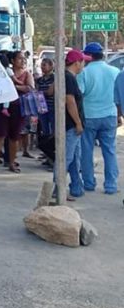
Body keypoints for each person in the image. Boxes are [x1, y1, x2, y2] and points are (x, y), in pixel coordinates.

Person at [77, 42, 120, 194]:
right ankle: (111, 185)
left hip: (89, 116)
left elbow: (79, 94)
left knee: (87, 151)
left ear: (88, 56)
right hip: (110, 115)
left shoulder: (84, 73)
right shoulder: (114, 71)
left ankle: (89, 183)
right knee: (109, 151)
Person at [0, 51, 33, 174]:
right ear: (13, 60)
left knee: (15, 137)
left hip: (18, 109)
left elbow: (29, 88)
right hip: (2, 108)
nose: (23, 61)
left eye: (24, 59)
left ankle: (12, 163)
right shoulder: (4, 72)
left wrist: (13, 86)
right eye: (20, 58)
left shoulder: (27, 74)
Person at [61, 50, 89, 199]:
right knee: (66, 158)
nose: (84, 65)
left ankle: (77, 187)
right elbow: (70, 101)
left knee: (74, 158)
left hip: (73, 125)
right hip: (71, 125)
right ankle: (57, 189)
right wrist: (78, 122)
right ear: (77, 62)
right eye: (83, 61)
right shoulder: (69, 78)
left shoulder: (67, 77)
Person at [36, 57, 56, 137]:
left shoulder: (54, 78)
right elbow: (37, 92)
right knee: (44, 129)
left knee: (54, 127)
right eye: (41, 65)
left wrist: (41, 93)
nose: (42, 67)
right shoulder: (39, 80)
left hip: (52, 106)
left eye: (44, 65)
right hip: (42, 107)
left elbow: (50, 92)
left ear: (51, 66)